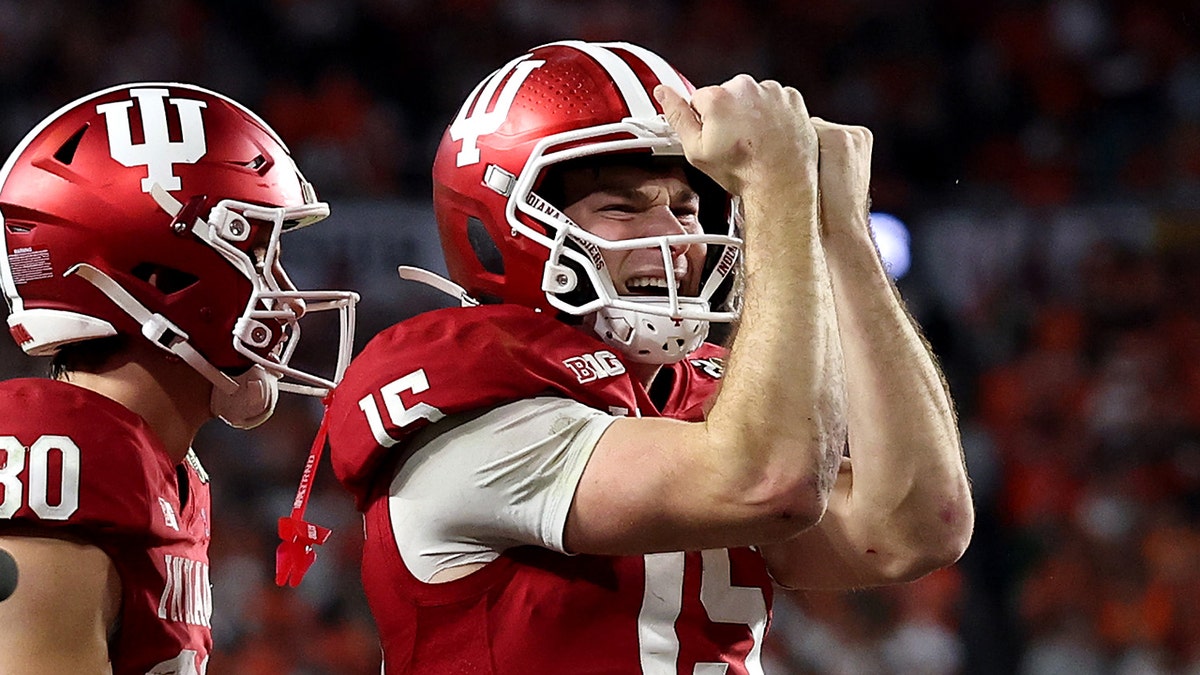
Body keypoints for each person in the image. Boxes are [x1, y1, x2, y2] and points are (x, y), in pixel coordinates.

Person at [326, 40, 974, 673]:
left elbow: (918, 523)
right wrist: (778, 191)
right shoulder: (478, 410)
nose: (673, 236)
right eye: (621, 208)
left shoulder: (707, 400)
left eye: (688, 207)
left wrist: (842, 229)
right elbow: (768, 481)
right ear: (504, 222)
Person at [0, 82, 358, 674]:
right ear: (161, 274)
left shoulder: (160, 466)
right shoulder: (59, 456)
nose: (289, 301)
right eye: (259, 254)